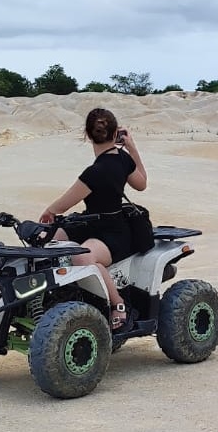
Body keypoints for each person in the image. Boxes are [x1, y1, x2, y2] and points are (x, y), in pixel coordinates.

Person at [39, 108, 148, 331]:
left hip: (111, 232)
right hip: (94, 223)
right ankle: (56, 295)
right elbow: (142, 183)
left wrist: (49, 211)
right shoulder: (122, 159)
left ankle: (118, 304)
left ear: (87, 135)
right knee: (52, 241)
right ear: (116, 132)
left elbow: (64, 204)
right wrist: (132, 147)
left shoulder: (95, 172)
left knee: (82, 258)